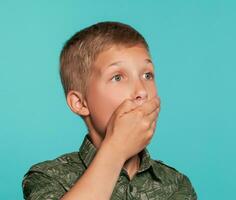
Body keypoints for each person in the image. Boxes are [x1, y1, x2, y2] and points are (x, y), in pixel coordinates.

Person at [22, 21, 197, 200]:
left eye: (147, 75)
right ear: (80, 103)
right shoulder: (48, 177)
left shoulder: (176, 184)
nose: (142, 91)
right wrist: (116, 149)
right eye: (118, 77)